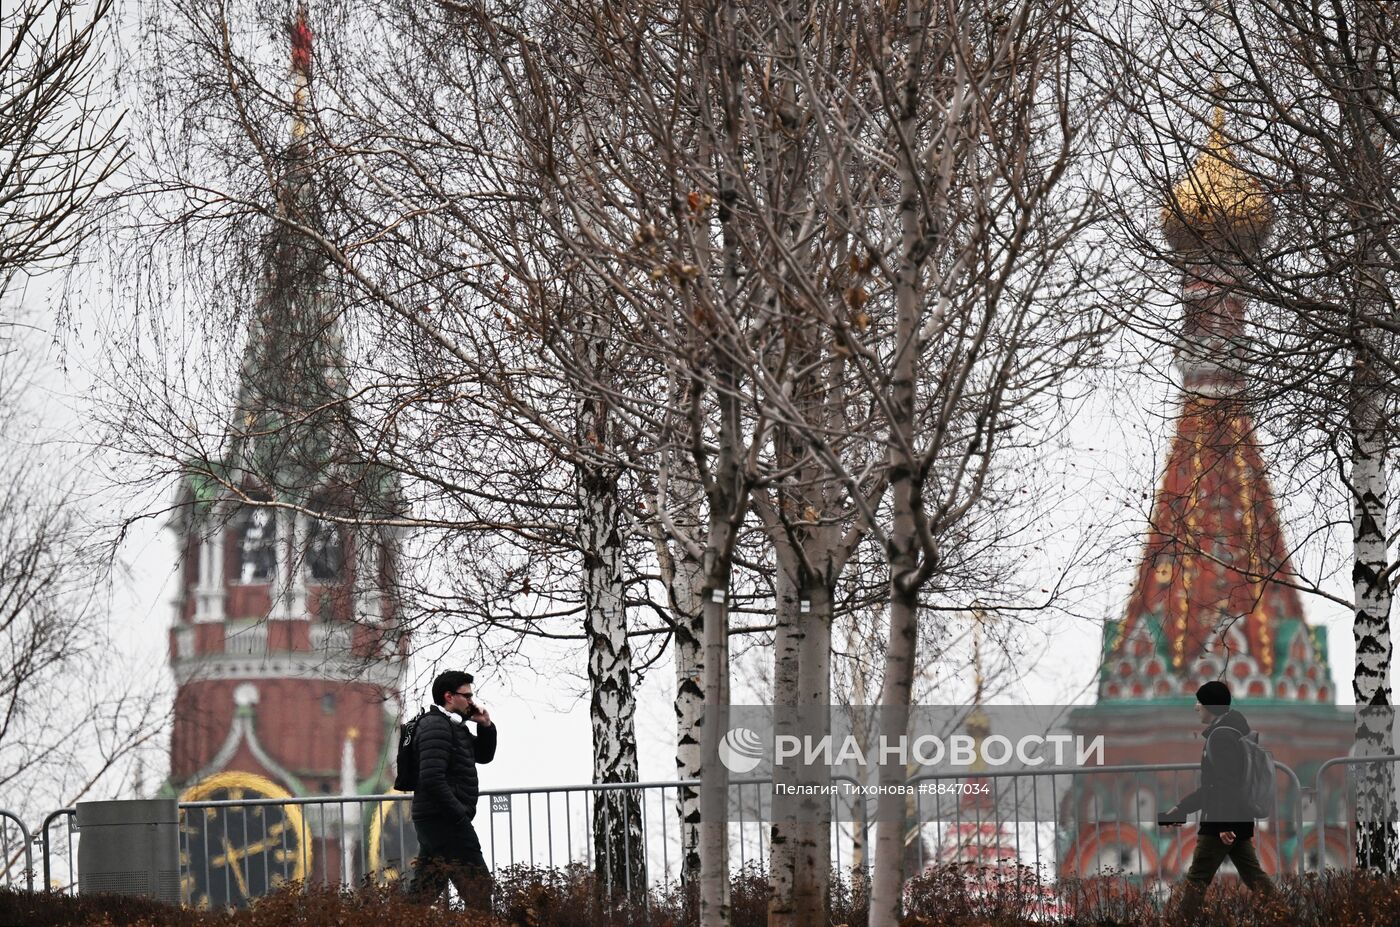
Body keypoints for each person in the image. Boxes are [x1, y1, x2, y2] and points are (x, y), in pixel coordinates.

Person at [1161, 680, 1278, 922]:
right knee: (1254, 876)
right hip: (1235, 818)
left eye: (1200, 702)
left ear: (1210, 706)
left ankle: (1180, 922)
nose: (1196, 707)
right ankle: (1286, 915)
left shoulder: (1221, 737)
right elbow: (1212, 788)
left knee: (1196, 880)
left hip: (1220, 822)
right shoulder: (1231, 732)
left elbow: (1226, 784)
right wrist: (1182, 808)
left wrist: (1224, 823)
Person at [409, 670, 497, 909]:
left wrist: (486, 725)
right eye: (467, 696)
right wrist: (458, 815)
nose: (472, 701)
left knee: (423, 892)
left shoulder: (454, 726)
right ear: (449, 696)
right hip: (444, 820)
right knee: (478, 887)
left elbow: (483, 755)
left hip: (440, 819)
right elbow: (431, 778)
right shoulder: (435, 727)